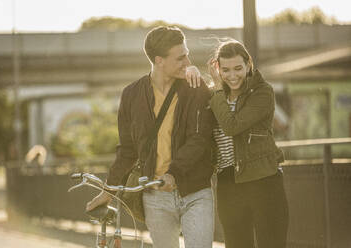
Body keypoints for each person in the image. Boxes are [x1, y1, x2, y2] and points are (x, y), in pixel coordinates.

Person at [86, 26, 215, 248]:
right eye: (180, 58)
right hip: (156, 197)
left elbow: (200, 139)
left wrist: (174, 174)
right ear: (159, 60)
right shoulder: (131, 95)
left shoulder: (195, 87)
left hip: (195, 190)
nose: (188, 61)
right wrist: (108, 192)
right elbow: (127, 150)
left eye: (187, 54)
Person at [190, 38, 289, 247]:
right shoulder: (213, 94)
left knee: (272, 243)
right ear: (217, 67)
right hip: (228, 182)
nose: (232, 76)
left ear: (248, 64)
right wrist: (191, 70)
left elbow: (232, 126)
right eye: (225, 70)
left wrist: (216, 89)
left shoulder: (262, 92)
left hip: (263, 179)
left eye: (238, 68)